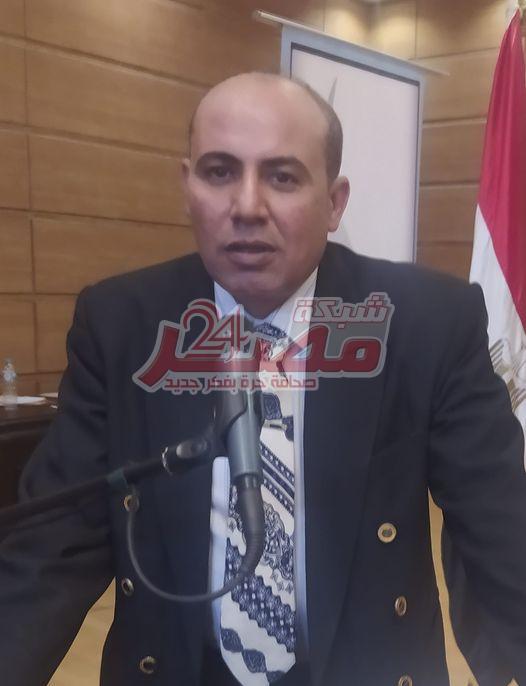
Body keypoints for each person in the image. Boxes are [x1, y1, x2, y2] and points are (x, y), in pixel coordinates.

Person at [0, 71, 525, 686]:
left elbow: (501, 532)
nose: (247, 207)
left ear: (335, 202)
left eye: (282, 177)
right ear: (187, 186)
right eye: (219, 172)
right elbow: (50, 552)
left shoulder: (425, 320)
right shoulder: (121, 324)